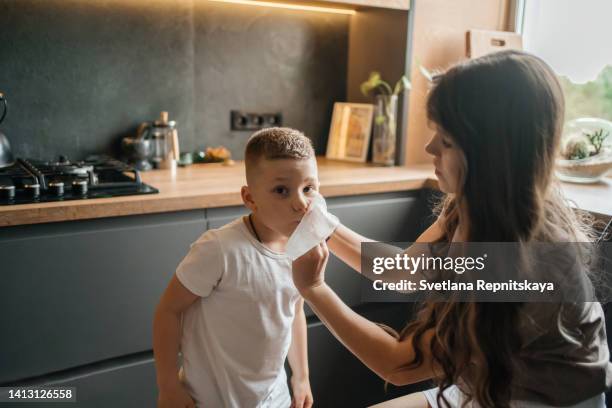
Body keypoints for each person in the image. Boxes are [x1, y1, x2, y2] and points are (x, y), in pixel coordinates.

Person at [291, 50, 612, 408]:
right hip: (492, 384)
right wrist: (320, 224)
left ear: (488, 152)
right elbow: (401, 272)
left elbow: (398, 364)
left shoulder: (519, 259)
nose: (429, 147)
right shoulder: (474, 205)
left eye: (445, 140)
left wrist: (313, 288)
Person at [153, 127, 317, 408]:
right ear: (250, 198)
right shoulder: (219, 249)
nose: (300, 204)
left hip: (274, 400)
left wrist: (301, 377)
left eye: (308, 188)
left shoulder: (302, 249)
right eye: (281, 190)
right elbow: (168, 311)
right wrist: (168, 386)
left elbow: (295, 311)